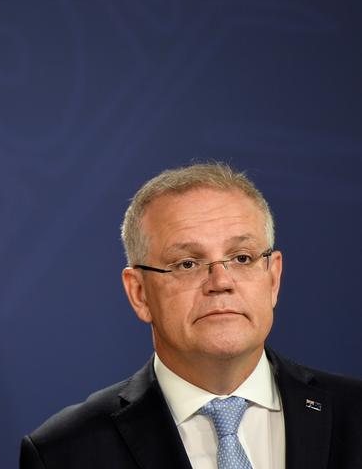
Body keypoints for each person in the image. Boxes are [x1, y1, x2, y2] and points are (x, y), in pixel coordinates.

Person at [19, 162, 362, 468]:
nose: (221, 282)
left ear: (273, 278)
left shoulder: (354, 414)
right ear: (139, 293)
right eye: (187, 264)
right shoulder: (64, 454)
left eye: (242, 258)